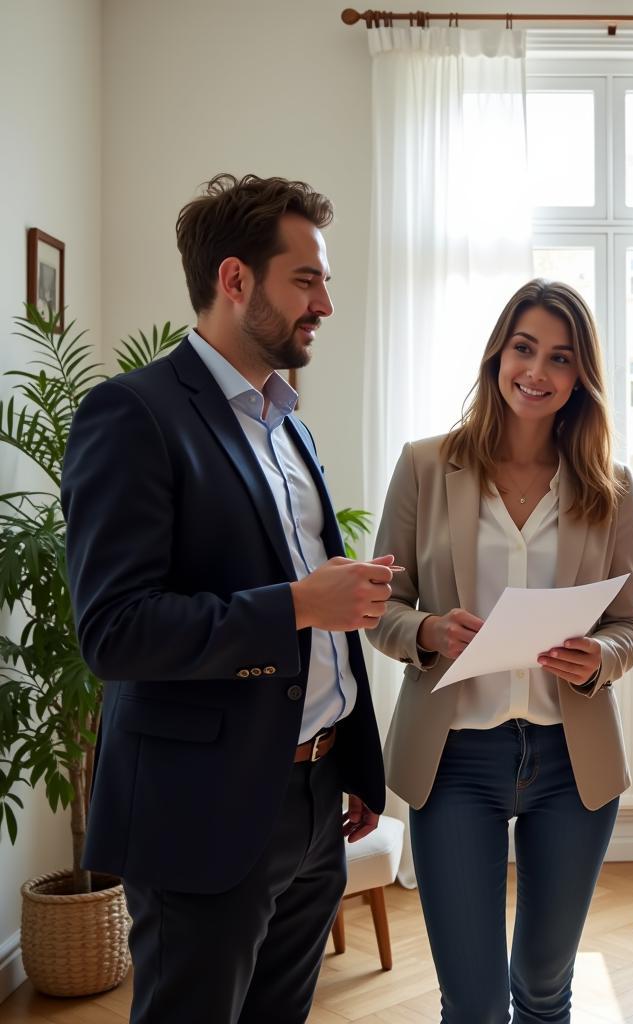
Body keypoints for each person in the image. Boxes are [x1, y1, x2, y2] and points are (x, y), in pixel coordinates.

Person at [61, 173, 391, 1024]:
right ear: (235, 280)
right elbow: (115, 632)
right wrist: (297, 605)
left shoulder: (290, 423)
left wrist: (349, 760)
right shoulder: (132, 414)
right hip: (205, 811)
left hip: (317, 801)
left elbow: (323, 612)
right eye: (306, 280)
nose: (324, 302)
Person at [370, 279, 633, 1023]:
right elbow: (380, 609)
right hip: (455, 759)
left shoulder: (609, 487)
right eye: (524, 348)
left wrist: (601, 656)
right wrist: (426, 631)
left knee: (547, 989)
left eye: (560, 358)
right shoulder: (426, 466)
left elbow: (628, 624)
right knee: (475, 1003)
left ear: (579, 377)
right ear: (498, 354)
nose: (537, 371)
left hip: (570, 764)